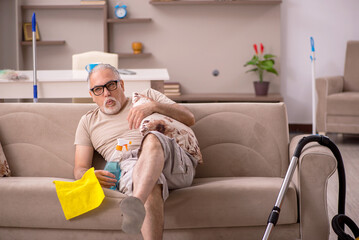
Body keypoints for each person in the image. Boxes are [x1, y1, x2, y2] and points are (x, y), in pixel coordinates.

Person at [73, 64, 198, 240]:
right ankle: (141, 197)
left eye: (111, 85)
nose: (106, 93)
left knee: (152, 138)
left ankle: (136, 201)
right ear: (92, 95)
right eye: (98, 89)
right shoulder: (87, 122)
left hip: (173, 160)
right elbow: (79, 168)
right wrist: (89, 176)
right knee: (149, 183)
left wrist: (153, 107)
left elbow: (189, 118)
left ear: (122, 85)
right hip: (129, 165)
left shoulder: (148, 97)